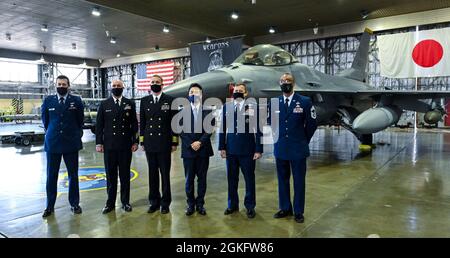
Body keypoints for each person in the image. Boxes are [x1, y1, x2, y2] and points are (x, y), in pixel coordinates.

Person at [269, 73, 317, 223]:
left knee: (298, 181)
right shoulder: (274, 102)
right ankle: (285, 208)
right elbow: (271, 122)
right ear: (279, 84)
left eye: (288, 81)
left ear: (293, 84)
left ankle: (298, 211)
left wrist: (303, 140)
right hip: (281, 148)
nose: (285, 83)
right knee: (282, 180)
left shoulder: (304, 101)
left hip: (298, 149)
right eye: (282, 81)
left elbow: (312, 124)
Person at [41, 75, 84, 218]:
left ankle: (74, 203)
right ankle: (49, 206)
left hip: (71, 143)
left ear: (68, 85)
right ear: (56, 85)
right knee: (51, 176)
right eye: (59, 84)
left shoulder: (76, 101)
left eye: (64, 84)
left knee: (73, 175)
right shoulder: (48, 101)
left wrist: (75, 135)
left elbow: (80, 121)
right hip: (53, 143)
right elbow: (46, 122)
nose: (61, 86)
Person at [218, 83, 263, 219]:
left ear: (245, 94)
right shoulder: (227, 107)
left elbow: (259, 131)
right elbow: (222, 128)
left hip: (248, 151)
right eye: (235, 91)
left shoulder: (253, 108)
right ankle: (232, 205)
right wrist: (222, 147)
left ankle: (250, 206)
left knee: (249, 180)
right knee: (232, 179)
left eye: (240, 91)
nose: (237, 92)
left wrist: (258, 149)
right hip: (231, 150)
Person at [95, 80, 138, 214]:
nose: (116, 88)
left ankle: (125, 202)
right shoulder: (104, 104)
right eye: (114, 86)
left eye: (118, 86)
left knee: (125, 176)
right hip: (109, 146)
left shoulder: (129, 103)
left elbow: (134, 124)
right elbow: (99, 125)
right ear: (110, 88)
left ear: (123, 87)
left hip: (125, 145)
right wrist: (98, 143)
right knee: (111, 176)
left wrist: (135, 141)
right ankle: (110, 203)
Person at [140, 75, 178, 214]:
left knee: (165, 174)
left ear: (162, 84)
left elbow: (174, 123)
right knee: (152, 174)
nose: (154, 84)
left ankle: (165, 202)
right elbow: (143, 123)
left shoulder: (170, 100)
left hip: (164, 143)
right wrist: (142, 141)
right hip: (150, 143)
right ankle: (153, 201)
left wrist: (174, 142)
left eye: (157, 82)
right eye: (152, 82)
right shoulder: (144, 101)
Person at [179, 83, 214, 216]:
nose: (194, 94)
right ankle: (190, 204)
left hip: (203, 150)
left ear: (201, 95)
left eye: (196, 92)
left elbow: (209, 129)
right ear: (188, 95)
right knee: (189, 180)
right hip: (188, 151)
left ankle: (200, 204)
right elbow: (180, 130)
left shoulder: (208, 111)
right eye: (191, 92)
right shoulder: (182, 111)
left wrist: (199, 142)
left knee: (202, 179)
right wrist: (191, 143)